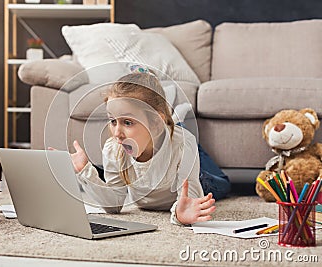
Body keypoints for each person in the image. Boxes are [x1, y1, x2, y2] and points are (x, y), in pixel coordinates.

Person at [54, 68, 228, 225]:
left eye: (127, 122)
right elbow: (113, 204)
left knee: (222, 183)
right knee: (181, 139)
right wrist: (84, 170)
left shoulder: (183, 145)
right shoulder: (114, 148)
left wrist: (179, 212)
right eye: (112, 121)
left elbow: (191, 199)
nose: (116, 133)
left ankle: (178, 122)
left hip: (202, 177)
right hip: (163, 134)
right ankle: (175, 120)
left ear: (155, 123)